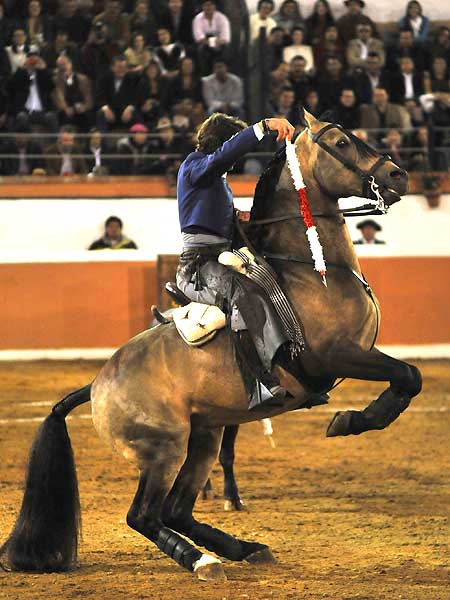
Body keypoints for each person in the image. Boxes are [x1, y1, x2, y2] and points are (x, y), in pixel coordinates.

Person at [175, 112, 295, 411]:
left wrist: (237, 217)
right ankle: (257, 385)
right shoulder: (195, 165)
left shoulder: (214, 177)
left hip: (215, 258)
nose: (235, 160)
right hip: (198, 267)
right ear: (222, 143)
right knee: (245, 296)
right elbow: (222, 157)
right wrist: (262, 127)